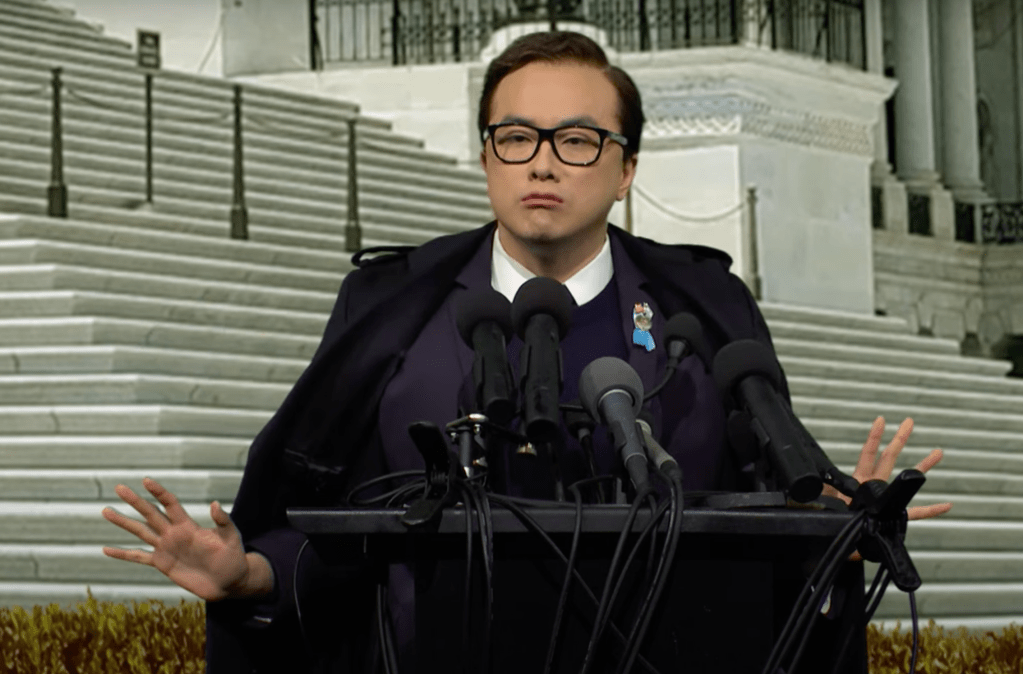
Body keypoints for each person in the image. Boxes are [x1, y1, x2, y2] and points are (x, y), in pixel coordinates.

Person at [101, 30, 953, 673]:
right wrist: (252, 574)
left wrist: (832, 535)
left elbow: (756, 520)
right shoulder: (392, 308)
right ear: (484, 157)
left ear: (625, 170)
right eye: (516, 137)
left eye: (578, 140)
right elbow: (339, 528)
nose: (542, 163)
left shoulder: (707, 307)